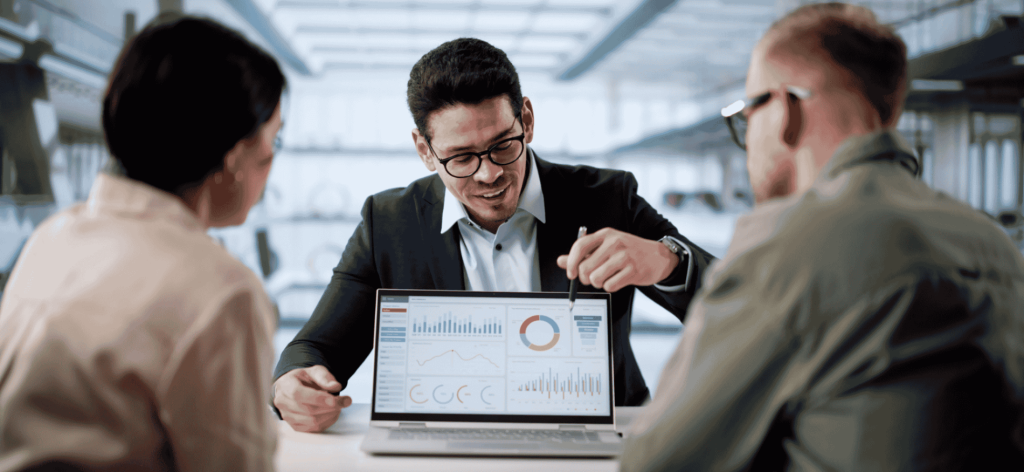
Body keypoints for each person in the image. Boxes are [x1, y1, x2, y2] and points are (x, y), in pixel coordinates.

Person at [620, 3, 1024, 471]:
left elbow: (658, 461)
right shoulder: (992, 244)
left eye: (747, 114)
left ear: (785, 109)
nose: (747, 139)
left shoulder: (786, 249)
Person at [272, 37, 716, 433]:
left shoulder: (607, 199)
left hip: (598, 438)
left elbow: (733, 297)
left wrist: (666, 260)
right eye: (461, 158)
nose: (489, 174)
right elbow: (314, 348)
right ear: (425, 150)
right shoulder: (389, 222)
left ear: (527, 119)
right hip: (446, 442)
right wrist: (293, 385)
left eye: (503, 145)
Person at [0, 15, 285, 471]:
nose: (272, 160)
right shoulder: (222, 291)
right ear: (234, 157)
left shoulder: (52, 238)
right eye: (273, 140)